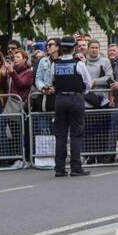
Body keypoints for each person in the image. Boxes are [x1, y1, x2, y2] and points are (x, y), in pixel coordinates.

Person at [48, 36, 92, 177]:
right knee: (76, 135)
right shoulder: (79, 64)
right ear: (74, 48)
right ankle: (75, 168)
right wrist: (80, 92)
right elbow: (88, 83)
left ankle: (59, 169)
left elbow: (52, 80)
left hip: (60, 100)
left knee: (60, 135)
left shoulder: (55, 64)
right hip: (75, 98)